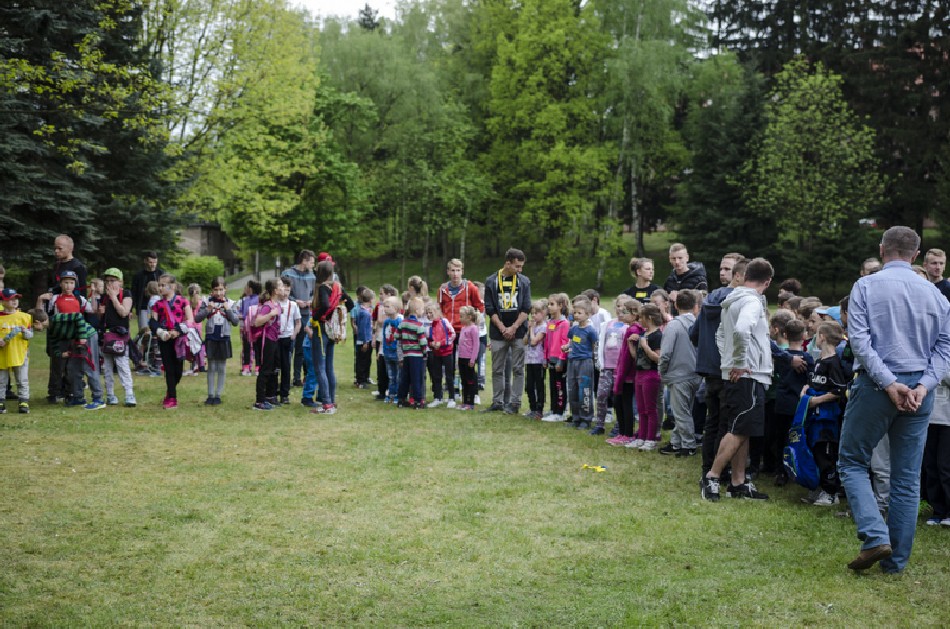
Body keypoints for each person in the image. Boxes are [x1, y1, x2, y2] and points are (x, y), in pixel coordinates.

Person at [838, 226, 950, 573]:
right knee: (906, 477)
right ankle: (896, 562)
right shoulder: (936, 295)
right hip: (919, 389)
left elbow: (859, 340)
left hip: (877, 385)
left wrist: (888, 383)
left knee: (852, 461)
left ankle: (875, 536)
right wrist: (924, 386)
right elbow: (945, 348)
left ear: (882, 249)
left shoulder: (865, 286)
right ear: (916, 255)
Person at [701, 257, 775, 501]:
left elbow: (721, 335)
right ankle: (712, 477)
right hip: (748, 374)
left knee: (744, 428)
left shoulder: (732, 299)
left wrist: (729, 360)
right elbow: (742, 330)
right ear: (767, 281)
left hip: (736, 372)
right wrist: (740, 362)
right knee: (738, 430)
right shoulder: (752, 301)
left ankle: (738, 482)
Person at [800, 321, 850, 506]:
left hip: (827, 419)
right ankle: (817, 487)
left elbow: (839, 390)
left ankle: (831, 492)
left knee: (825, 454)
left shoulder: (833, 363)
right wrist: (806, 390)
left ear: (822, 337)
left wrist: (817, 400)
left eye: (817, 335)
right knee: (814, 451)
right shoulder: (819, 361)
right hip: (813, 417)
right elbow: (814, 382)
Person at [482, 248, 531, 414]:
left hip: (519, 331)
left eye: (521, 266)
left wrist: (514, 327)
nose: (520, 270)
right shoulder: (491, 281)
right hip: (498, 332)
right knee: (497, 369)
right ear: (507, 263)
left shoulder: (524, 282)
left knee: (518, 369)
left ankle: (515, 403)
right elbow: (489, 308)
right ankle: (497, 402)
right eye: (517, 266)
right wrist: (502, 327)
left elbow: (526, 308)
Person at [658, 290, 702, 456]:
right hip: (695, 373)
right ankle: (676, 442)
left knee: (681, 412)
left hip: (679, 374)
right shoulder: (698, 323)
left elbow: (666, 353)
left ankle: (688, 445)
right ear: (695, 306)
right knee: (684, 410)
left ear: (676, 305)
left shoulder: (674, 325)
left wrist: (661, 371)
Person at [309, 259, 354, 415]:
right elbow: (351, 304)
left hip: (321, 329)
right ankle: (331, 401)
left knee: (319, 367)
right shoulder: (338, 287)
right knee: (328, 367)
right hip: (332, 330)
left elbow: (325, 305)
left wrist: (316, 318)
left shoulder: (322, 287)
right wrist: (336, 313)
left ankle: (326, 404)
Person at [150, 273, 194, 410]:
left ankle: (170, 392)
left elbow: (190, 320)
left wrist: (178, 331)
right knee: (169, 369)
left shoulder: (183, 301)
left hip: (179, 340)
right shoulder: (157, 304)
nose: (160, 288)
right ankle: (172, 398)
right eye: (159, 285)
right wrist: (161, 333)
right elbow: (153, 322)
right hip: (165, 340)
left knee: (178, 371)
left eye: (163, 285)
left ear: (173, 286)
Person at [194, 277, 240, 406]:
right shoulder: (206, 302)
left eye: (221, 289)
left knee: (221, 367)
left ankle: (218, 395)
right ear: (212, 290)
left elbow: (235, 321)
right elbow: (197, 319)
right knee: (212, 367)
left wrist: (228, 309)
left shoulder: (231, 303)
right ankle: (210, 395)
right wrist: (207, 309)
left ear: (225, 289)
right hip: (211, 338)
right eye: (216, 289)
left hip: (224, 338)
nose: (218, 292)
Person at [593, 296, 631, 435]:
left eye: (624, 306)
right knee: (601, 394)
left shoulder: (629, 326)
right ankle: (600, 424)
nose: (621, 309)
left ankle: (619, 425)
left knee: (618, 397)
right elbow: (600, 343)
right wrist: (600, 362)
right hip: (607, 367)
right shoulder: (607, 324)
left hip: (620, 368)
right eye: (619, 306)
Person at [98, 268, 136, 407]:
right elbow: (101, 317)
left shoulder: (126, 294)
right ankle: (110, 394)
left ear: (120, 282)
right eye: (107, 281)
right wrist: (100, 312)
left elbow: (123, 312)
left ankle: (129, 394)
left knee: (122, 364)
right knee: (107, 367)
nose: (109, 283)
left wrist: (114, 298)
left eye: (113, 280)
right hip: (106, 336)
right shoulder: (104, 297)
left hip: (120, 336)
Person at [629, 304, 663, 450]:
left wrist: (645, 346)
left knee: (650, 409)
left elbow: (658, 358)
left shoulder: (657, 336)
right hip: (639, 374)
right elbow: (636, 357)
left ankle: (651, 438)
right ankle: (641, 437)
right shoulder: (643, 334)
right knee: (641, 409)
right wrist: (631, 344)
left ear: (648, 318)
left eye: (641, 317)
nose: (639, 320)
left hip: (651, 375)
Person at [564, 296, 598, 429]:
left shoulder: (591, 331)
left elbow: (594, 346)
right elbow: (572, 341)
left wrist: (595, 361)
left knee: (584, 390)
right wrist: (567, 346)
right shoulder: (573, 329)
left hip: (585, 362)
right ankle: (576, 417)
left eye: (580, 313)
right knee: (572, 390)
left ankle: (586, 418)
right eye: (575, 313)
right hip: (572, 361)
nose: (576, 315)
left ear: (588, 314)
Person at [282, 250, 316, 386]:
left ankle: (297, 378)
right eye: (311, 262)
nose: (313, 265)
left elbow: (314, 293)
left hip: (306, 315)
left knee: (301, 348)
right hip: (290, 315)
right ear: (304, 261)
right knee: (289, 348)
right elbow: (282, 292)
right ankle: (285, 378)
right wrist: (296, 301)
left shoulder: (312, 276)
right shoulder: (287, 274)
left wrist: (310, 301)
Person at [0, 288, 35, 414]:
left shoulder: (25, 317)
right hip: (2, 354)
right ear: (2, 302)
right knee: (1, 380)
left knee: (22, 379)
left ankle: (23, 401)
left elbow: (30, 336)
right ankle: (1, 402)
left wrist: (25, 331)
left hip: (20, 353)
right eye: (10, 299)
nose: (14, 301)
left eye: (16, 299)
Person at [923, 373, 950, 527]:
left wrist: (938, 372)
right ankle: (938, 511)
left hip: (948, 420)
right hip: (928, 419)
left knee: (945, 466)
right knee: (931, 466)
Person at [251, 279, 282, 411]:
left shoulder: (277, 304)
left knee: (274, 369)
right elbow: (257, 322)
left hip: (275, 340)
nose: (283, 288)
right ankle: (259, 401)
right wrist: (270, 314)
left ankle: (270, 396)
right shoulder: (268, 306)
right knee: (265, 369)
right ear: (275, 290)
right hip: (266, 340)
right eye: (281, 286)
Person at [396, 296, 428, 409]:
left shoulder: (403, 323)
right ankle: (418, 401)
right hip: (417, 355)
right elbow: (423, 342)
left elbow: (397, 335)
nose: (423, 311)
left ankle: (401, 399)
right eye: (422, 309)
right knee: (416, 378)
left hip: (406, 354)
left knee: (405, 378)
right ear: (417, 310)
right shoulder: (419, 326)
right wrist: (425, 353)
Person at [541, 293, 569, 422]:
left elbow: (565, 343)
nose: (549, 306)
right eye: (548, 304)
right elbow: (547, 342)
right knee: (552, 386)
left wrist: (561, 360)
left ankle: (560, 412)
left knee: (560, 386)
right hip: (550, 359)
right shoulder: (550, 323)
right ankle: (553, 409)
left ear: (560, 306)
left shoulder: (564, 324)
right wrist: (545, 357)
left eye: (552, 304)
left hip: (559, 360)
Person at [276, 277, 302, 404]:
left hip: (287, 338)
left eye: (288, 290)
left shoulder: (293, 305)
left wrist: (294, 334)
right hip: (275, 338)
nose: (285, 293)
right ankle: (273, 391)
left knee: (286, 367)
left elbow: (298, 322)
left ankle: (284, 394)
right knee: (275, 366)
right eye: (283, 289)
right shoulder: (274, 304)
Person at [425, 301, 456, 408]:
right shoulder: (429, 326)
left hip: (447, 353)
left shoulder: (444, 322)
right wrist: (432, 344)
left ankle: (452, 398)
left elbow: (452, 335)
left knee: (449, 376)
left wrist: (441, 343)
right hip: (436, 354)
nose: (429, 315)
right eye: (427, 313)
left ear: (437, 311)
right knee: (436, 376)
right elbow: (428, 339)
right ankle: (438, 397)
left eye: (431, 312)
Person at [523, 300, 548, 420]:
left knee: (539, 386)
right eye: (532, 313)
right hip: (529, 360)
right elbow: (525, 341)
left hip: (539, 361)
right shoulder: (532, 327)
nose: (533, 316)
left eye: (536, 313)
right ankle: (532, 408)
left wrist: (532, 329)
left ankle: (539, 409)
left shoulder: (544, 327)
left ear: (543, 313)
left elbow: (533, 342)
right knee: (529, 386)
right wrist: (529, 330)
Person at [130, 251, 164, 333]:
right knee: (144, 331)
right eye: (150, 262)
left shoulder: (161, 274)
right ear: (145, 261)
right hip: (143, 307)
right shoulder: (139, 276)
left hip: (160, 307)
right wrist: (130, 310)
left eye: (155, 262)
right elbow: (133, 293)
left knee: (159, 331)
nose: (153, 264)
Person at [456, 306, 481, 410]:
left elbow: (476, 345)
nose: (460, 318)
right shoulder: (463, 328)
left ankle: (470, 403)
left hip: (468, 359)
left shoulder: (473, 329)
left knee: (469, 381)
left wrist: (472, 359)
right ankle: (464, 401)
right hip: (461, 358)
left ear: (469, 317)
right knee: (463, 380)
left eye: (462, 316)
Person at [237, 280, 261, 376]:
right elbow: (242, 312)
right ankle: (246, 367)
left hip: (255, 327)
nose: (245, 288)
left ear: (250, 288)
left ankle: (258, 367)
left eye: (247, 286)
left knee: (257, 347)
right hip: (246, 328)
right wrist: (241, 316)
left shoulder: (259, 299)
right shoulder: (245, 300)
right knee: (246, 346)